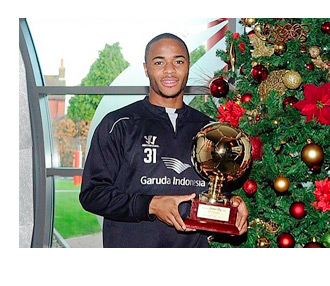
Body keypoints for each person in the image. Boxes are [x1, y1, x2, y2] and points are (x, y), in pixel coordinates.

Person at [79, 33, 249, 248]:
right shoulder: (119, 124)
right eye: (159, 62)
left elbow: (217, 190)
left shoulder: (210, 130)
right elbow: (92, 194)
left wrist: (233, 203)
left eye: (178, 61)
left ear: (188, 66)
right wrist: (150, 205)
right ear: (146, 69)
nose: (170, 70)